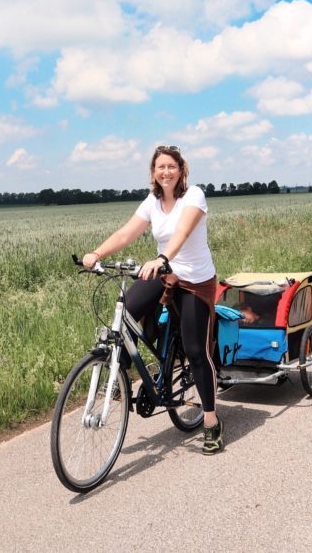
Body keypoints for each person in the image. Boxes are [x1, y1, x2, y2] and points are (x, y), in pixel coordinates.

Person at [82, 145, 224, 455]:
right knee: (127, 312)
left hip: (194, 280)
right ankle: (126, 374)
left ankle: (211, 423)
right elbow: (125, 233)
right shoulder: (153, 202)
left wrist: (161, 257)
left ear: (181, 169)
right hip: (164, 271)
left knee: (196, 350)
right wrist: (97, 254)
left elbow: (182, 234)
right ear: (153, 173)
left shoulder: (194, 196)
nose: (166, 172)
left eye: (171, 166)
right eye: (160, 167)